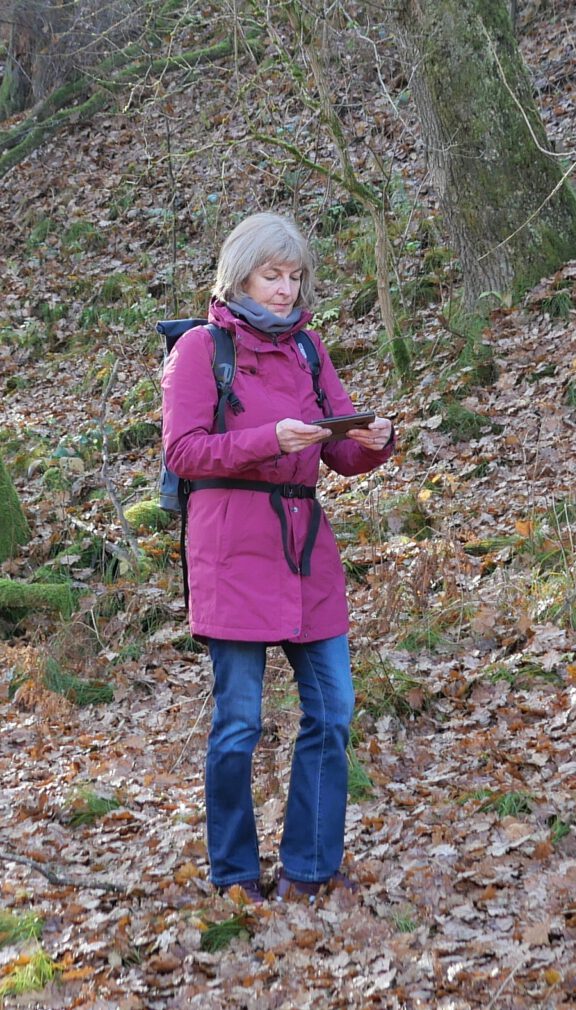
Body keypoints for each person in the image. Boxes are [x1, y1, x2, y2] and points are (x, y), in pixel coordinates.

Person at [162, 212, 395, 902]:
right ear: (240, 275)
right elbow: (184, 452)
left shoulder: (308, 350)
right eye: (273, 275)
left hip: (305, 556)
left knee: (333, 711)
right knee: (238, 723)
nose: (286, 289)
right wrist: (270, 439)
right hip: (230, 551)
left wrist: (376, 439)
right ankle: (234, 876)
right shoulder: (202, 350)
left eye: (294, 276)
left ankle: (310, 871)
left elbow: (341, 451)